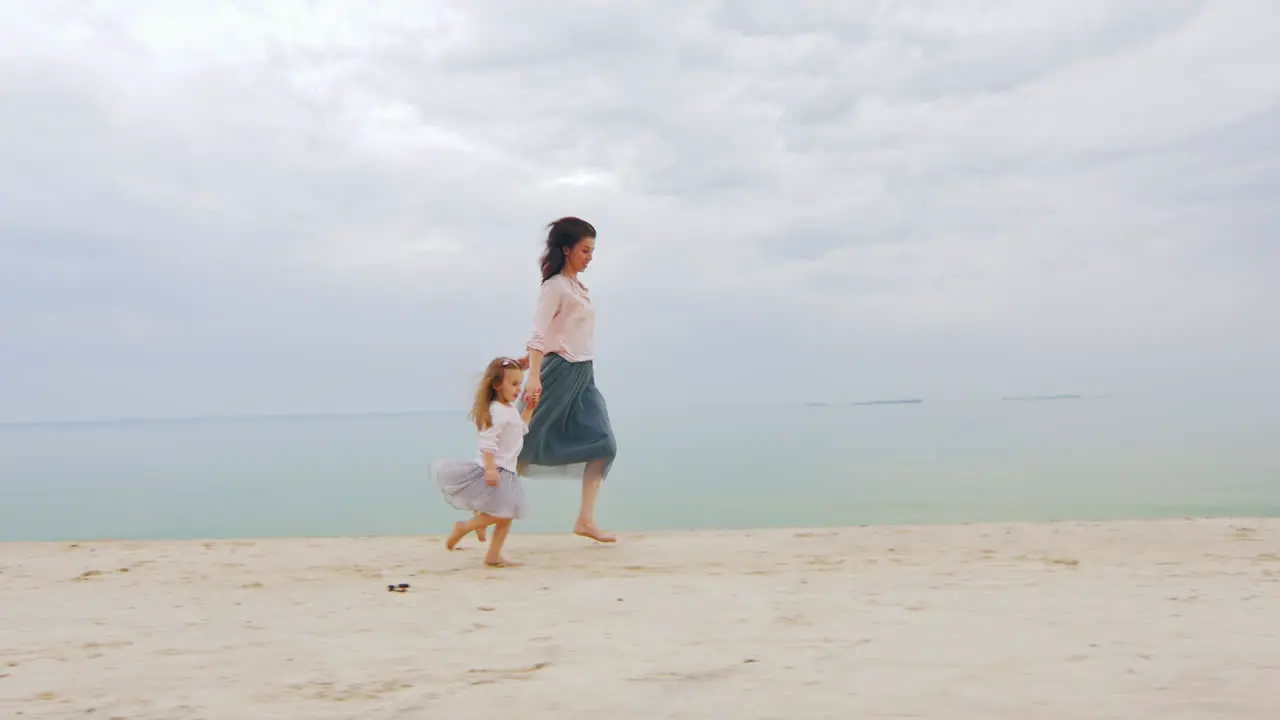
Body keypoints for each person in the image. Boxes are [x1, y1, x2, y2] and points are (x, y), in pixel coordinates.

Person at [517, 216, 619, 543]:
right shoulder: (555, 286)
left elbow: (559, 331)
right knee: (519, 448)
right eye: (585, 250)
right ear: (567, 249)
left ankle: (585, 521)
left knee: (604, 445)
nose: (590, 256)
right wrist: (533, 375)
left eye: (592, 251)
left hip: (584, 374)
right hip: (559, 372)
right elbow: (538, 331)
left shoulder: (577, 287)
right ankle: (485, 508)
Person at [433, 357, 537, 567]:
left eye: (520, 383)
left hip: (506, 470)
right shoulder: (497, 411)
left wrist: (529, 408)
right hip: (496, 469)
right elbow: (486, 441)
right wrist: (490, 469)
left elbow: (520, 429)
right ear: (497, 385)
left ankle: (493, 554)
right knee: (503, 513)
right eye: (514, 384)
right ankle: (465, 527)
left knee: (505, 516)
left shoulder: (508, 410)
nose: (518, 389)